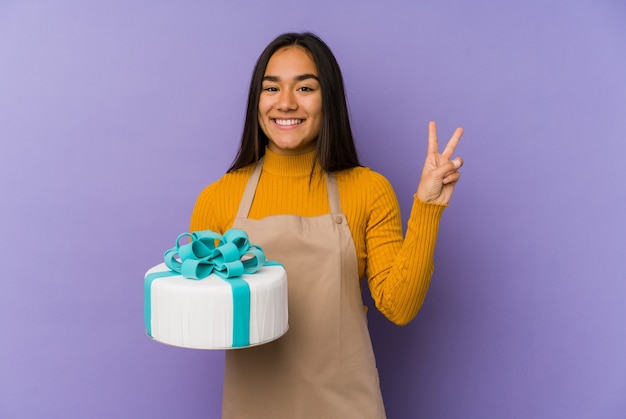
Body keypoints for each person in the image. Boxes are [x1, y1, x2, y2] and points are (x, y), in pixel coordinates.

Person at [190, 32, 463, 419]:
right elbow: (204, 320)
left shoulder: (368, 189)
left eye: (305, 87)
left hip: (346, 405)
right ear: (257, 101)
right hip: (254, 405)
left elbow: (399, 307)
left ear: (328, 99)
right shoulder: (218, 198)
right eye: (272, 88)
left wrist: (427, 209)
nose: (286, 102)